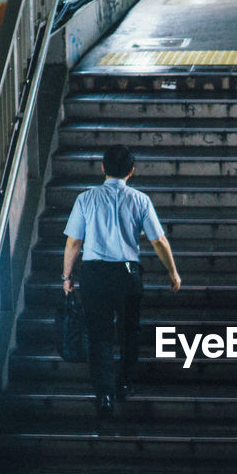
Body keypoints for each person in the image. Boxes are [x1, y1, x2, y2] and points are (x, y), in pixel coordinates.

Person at [62, 144, 180, 417]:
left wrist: (66, 276)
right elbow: (158, 240)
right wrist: (172, 272)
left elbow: (74, 242)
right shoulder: (140, 200)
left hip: (94, 274)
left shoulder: (86, 199)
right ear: (131, 171)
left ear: (103, 168)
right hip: (128, 274)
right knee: (130, 332)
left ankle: (103, 394)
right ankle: (124, 383)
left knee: (99, 335)